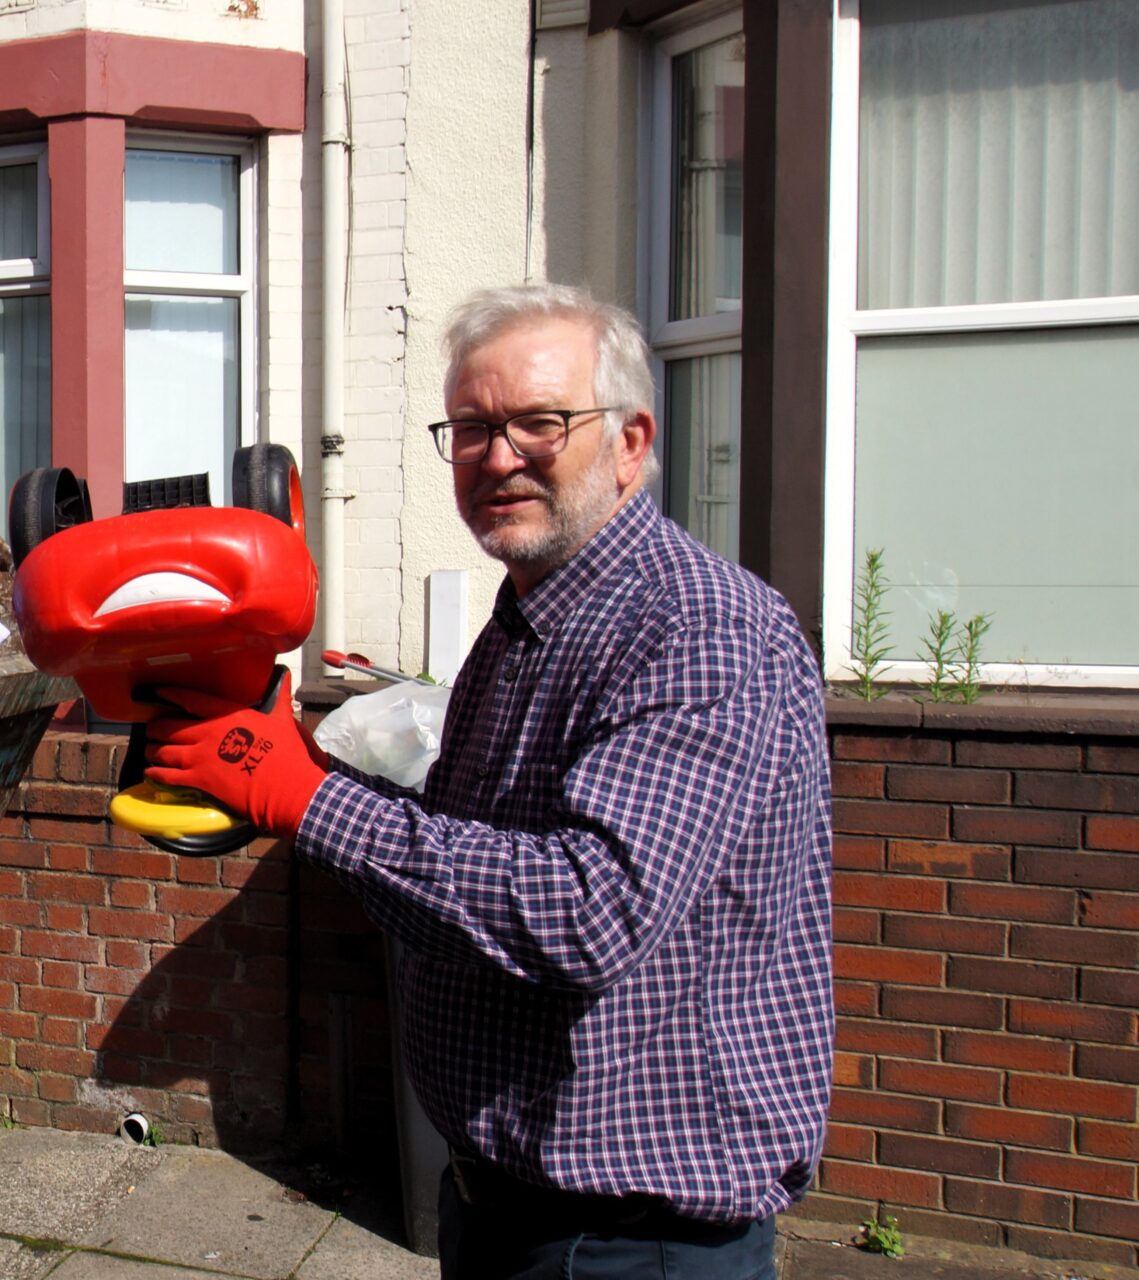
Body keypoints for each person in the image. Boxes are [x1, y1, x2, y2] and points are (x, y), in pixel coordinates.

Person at [145, 283, 832, 1280]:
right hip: (501, 1202)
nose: (498, 456)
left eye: (539, 422)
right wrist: (286, 774)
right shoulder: (532, 617)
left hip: (632, 1243)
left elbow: (583, 908)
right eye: (470, 426)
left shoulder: (695, 629)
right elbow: (468, 869)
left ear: (631, 442)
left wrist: (304, 797)